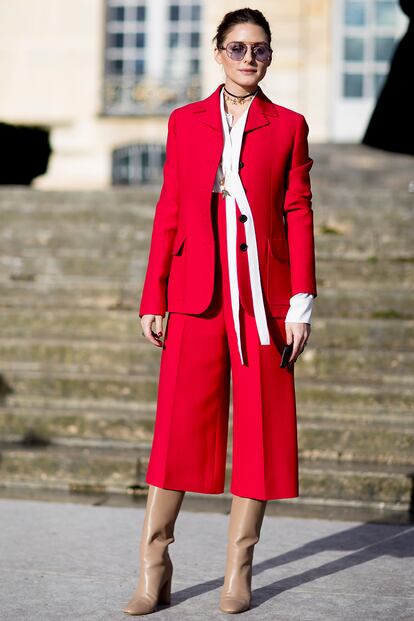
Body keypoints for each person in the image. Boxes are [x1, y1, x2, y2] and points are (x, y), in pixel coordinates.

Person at [123, 7, 317, 616]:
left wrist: (300, 302)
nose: (249, 59)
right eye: (237, 48)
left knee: (260, 433)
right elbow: (170, 207)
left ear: (269, 55)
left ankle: (239, 570)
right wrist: (154, 294)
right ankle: (155, 568)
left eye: (260, 49)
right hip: (196, 297)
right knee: (178, 429)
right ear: (217, 52)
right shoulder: (185, 122)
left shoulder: (288, 126)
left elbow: (299, 212)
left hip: (264, 301)